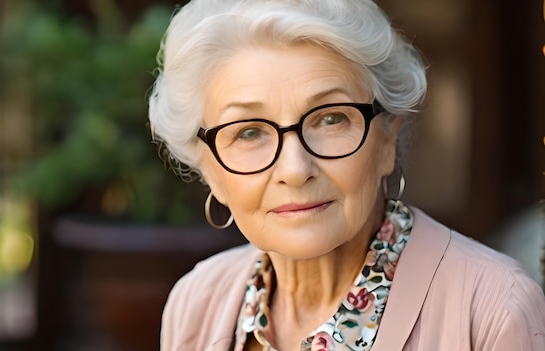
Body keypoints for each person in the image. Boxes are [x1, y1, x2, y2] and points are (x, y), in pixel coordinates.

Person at [147, 0, 545, 350]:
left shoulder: (493, 309)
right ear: (210, 169)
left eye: (330, 119)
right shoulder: (196, 303)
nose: (295, 170)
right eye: (249, 132)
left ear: (387, 139)